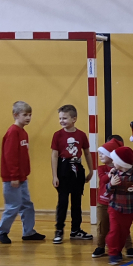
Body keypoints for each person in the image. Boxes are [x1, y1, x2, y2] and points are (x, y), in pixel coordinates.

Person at [0, 101, 45, 244]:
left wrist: (23, 174)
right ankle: (1, 231)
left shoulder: (23, 133)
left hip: (22, 177)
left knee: (27, 204)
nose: (28, 117)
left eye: (30, 115)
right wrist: (14, 176)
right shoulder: (13, 132)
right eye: (25, 115)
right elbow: (10, 156)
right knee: (13, 206)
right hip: (12, 178)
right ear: (15, 115)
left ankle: (28, 232)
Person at [50, 104, 93, 243]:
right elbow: (54, 155)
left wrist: (91, 170)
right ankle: (59, 230)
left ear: (74, 119)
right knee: (63, 202)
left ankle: (76, 230)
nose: (61, 121)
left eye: (64, 118)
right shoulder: (57, 135)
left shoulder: (81, 135)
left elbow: (87, 153)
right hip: (63, 169)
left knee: (77, 202)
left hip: (77, 169)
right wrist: (55, 175)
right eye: (60, 118)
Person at [105, 145, 133, 265]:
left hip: (129, 210)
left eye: (115, 160)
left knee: (124, 232)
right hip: (115, 208)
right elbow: (107, 191)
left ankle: (118, 250)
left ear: (122, 163)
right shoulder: (114, 173)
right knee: (114, 230)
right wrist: (111, 184)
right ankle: (113, 252)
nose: (113, 163)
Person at [92, 135, 124, 258]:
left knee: (119, 227)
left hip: (116, 202)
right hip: (103, 202)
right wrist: (109, 175)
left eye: (103, 153)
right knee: (102, 226)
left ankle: (127, 247)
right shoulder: (101, 168)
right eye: (100, 154)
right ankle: (100, 247)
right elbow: (103, 179)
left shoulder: (120, 167)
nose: (100, 156)